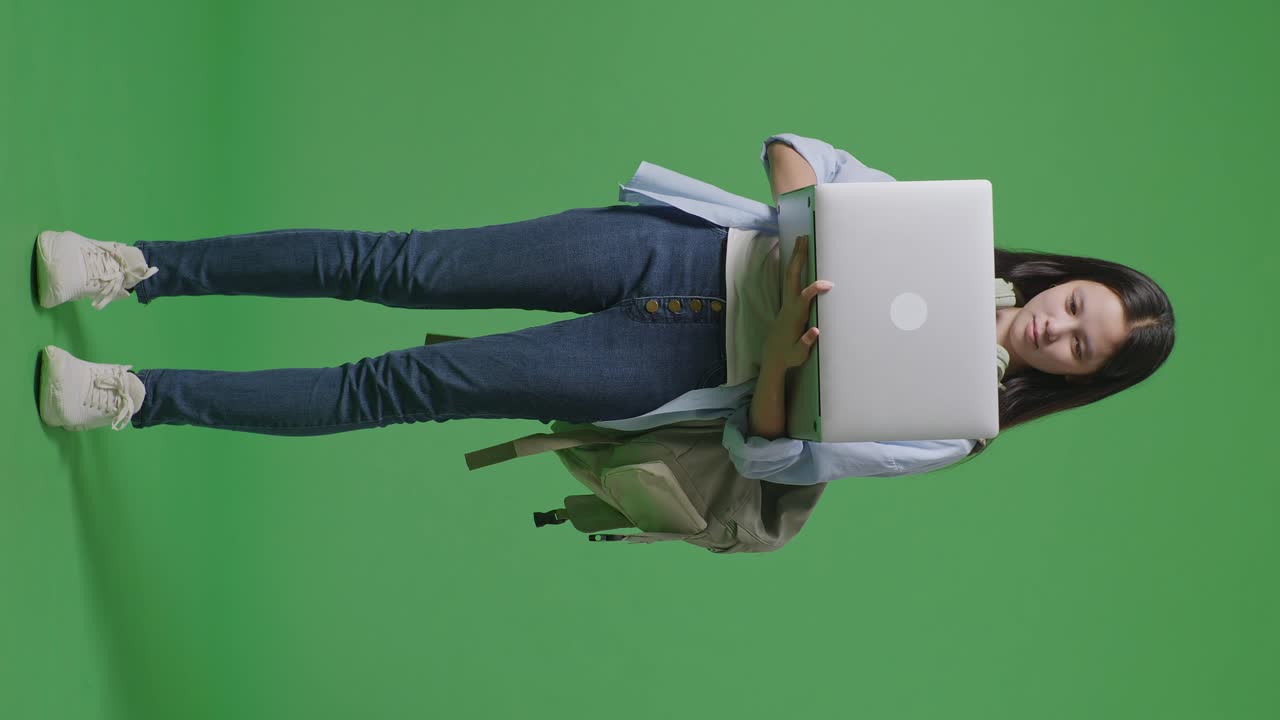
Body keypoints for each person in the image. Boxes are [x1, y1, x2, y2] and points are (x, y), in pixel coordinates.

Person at [33, 133, 1176, 485]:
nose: (1058, 331)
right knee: (396, 262)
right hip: (669, 249)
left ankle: (128, 400)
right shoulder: (944, 232)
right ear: (1054, 280)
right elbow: (795, 149)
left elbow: (767, 454)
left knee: (405, 385)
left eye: (1081, 350)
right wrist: (809, 219)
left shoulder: (950, 429)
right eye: (1075, 306)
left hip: (659, 364)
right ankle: (132, 269)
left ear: (1076, 377)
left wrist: (782, 355)